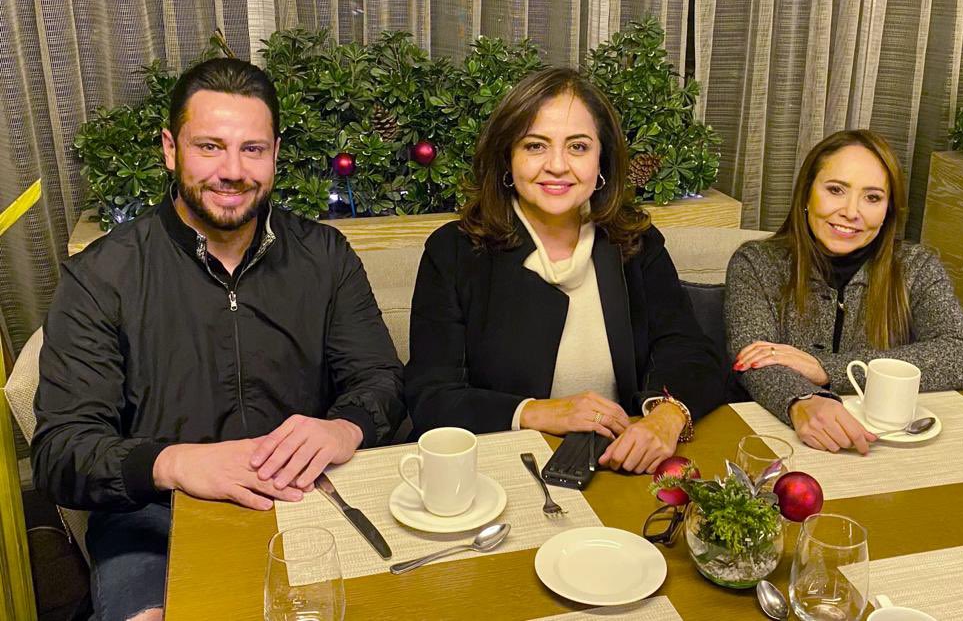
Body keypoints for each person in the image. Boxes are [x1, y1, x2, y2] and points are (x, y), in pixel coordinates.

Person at [32, 58, 405, 621]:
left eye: (252, 149)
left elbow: (380, 379)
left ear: (275, 154)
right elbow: (61, 451)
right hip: (156, 518)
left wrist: (344, 427)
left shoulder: (326, 256)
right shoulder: (101, 276)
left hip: (311, 497)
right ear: (170, 149)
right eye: (209, 147)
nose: (232, 171)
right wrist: (173, 463)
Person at [404, 67, 724, 474]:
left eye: (578, 147)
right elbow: (430, 396)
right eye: (535, 146)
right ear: (507, 158)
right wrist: (539, 412)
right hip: (500, 470)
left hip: (620, 467)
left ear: (601, 160)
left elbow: (691, 352)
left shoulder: (635, 241)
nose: (557, 165)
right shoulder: (454, 251)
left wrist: (667, 415)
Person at [724, 129, 963, 454]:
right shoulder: (755, 262)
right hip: (780, 441)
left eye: (872, 197)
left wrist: (826, 368)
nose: (850, 211)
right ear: (806, 194)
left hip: (887, 450)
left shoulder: (917, 266)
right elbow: (754, 360)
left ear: (888, 210)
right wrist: (803, 400)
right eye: (835, 190)